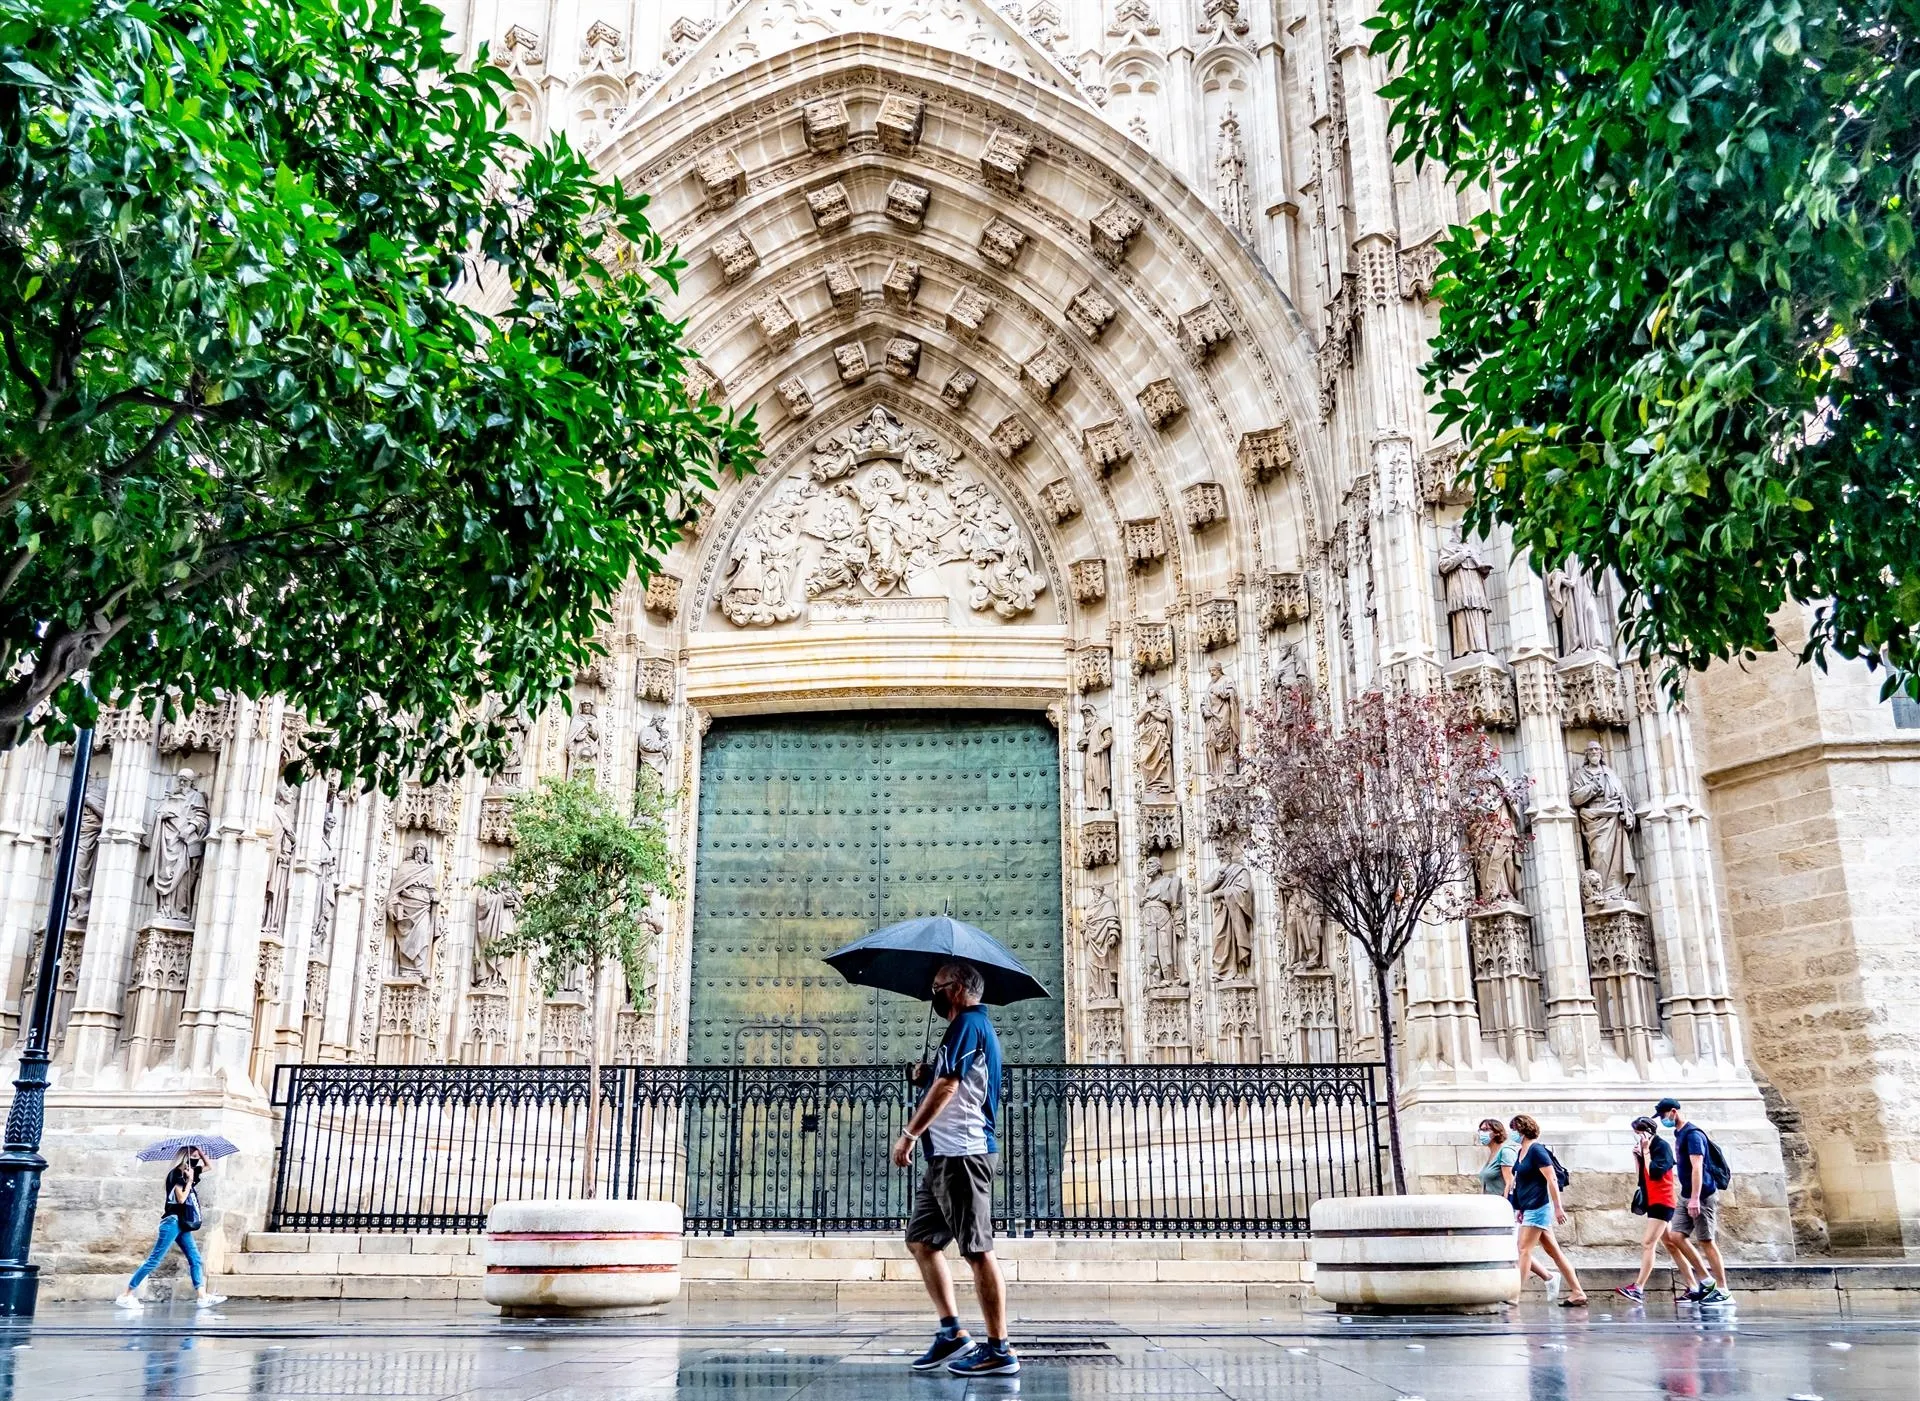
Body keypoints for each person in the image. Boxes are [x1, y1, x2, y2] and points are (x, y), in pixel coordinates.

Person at [892, 961, 1018, 1377]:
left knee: (977, 1250)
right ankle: (952, 1332)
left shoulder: (969, 1024)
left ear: (958, 988)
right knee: (921, 1241)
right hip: (944, 1156)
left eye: (938, 986)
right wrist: (926, 1075)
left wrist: (909, 1134)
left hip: (964, 1154)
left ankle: (999, 1349)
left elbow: (951, 1086)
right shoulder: (965, 1029)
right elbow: (953, 1078)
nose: (934, 993)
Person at [115, 1147, 225, 1310]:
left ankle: (202, 1297)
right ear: (184, 1157)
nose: (196, 1159)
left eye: (197, 1156)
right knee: (154, 1260)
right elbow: (181, 1199)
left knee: (195, 1259)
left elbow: (209, 1166)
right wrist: (189, 1181)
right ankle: (126, 1295)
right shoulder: (176, 1175)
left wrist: (200, 1151)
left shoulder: (189, 1172)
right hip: (172, 1222)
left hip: (183, 1223)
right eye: (193, 1156)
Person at [1617, 1115, 1704, 1302]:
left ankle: (1638, 1288)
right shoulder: (1647, 1148)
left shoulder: (1661, 1146)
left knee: (1648, 1243)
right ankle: (1693, 1286)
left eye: (1639, 1133)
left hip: (1662, 1201)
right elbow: (1642, 1177)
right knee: (1671, 1245)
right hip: (1653, 1200)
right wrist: (1637, 1157)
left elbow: (1655, 1173)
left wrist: (1646, 1152)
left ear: (1648, 1132)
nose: (1638, 1137)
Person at [1657, 1096, 1733, 1306]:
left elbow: (1697, 1167)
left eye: (1664, 1115)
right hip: (1686, 1194)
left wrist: (1695, 1198)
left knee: (1706, 1241)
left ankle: (1723, 1290)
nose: (1663, 1119)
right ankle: (1707, 1281)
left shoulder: (1693, 1135)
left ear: (1673, 1112)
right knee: (1675, 1236)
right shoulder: (1679, 1133)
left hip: (1702, 1195)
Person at [1507, 1115, 1588, 1306]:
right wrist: (1520, 1207)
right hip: (1529, 1207)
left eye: (1514, 1129)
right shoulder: (1522, 1151)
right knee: (1554, 1252)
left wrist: (1558, 1207)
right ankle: (1578, 1292)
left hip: (1538, 1207)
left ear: (1522, 1130)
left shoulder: (1536, 1150)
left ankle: (1515, 1295)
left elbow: (1551, 1178)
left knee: (1523, 1249)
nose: (1512, 1132)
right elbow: (1522, 1182)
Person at [1476, 1119, 1553, 1285]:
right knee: (1522, 1248)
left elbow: (1510, 1182)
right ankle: (1549, 1278)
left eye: (1486, 1129)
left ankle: (1543, 1279)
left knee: (1519, 1249)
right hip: (1494, 1209)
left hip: (1506, 1209)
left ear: (1497, 1132)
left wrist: (1507, 1208)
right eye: (1480, 1129)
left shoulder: (1505, 1152)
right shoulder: (1492, 1154)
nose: (1482, 1133)